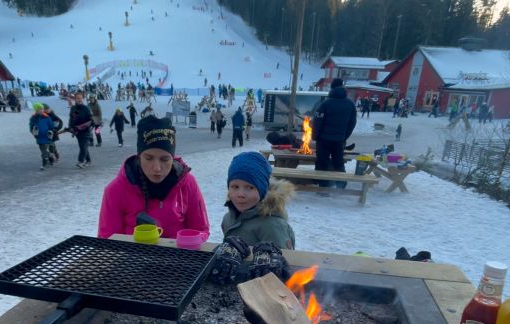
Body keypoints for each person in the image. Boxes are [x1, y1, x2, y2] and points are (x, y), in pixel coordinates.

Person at [97, 116, 210, 240]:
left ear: (172, 158)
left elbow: (201, 229)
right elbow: (107, 240)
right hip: (133, 258)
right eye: (149, 158)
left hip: (178, 257)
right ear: (139, 156)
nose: (157, 168)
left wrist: (185, 243)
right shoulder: (116, 190)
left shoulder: (188, 183)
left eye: (164, 159)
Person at [210, 152, 295, 285]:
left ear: (262, 189)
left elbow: (286, 267)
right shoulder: (229, 218)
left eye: (250, 187)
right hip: (234, 283)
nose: (240, 194)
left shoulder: (273, 225)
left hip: (263, 290)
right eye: (235, 187)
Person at [311, 78, 356, 191]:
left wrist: (315, 137)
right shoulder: (350, 104)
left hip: (323, 140)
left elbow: (317, 121)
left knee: (323, 164)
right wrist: (344, 137)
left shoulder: (325, 103)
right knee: (339, 163)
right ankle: (341, 186)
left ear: (331, 89)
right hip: (339, 140)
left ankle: (324, 188)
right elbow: (352, 123)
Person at [68, 92, 93, 168]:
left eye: (81, 98)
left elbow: (91, 121)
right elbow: (71, 119)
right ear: (75, 99)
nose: (79, 100)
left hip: (85, 130)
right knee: (83, 146)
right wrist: (70, 127)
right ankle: (88, 160)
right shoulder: (73, 108)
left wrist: (83, 126)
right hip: (77, 131)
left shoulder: (86, 108)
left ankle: (80, 161)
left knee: (83, 146)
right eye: (78, 98)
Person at [29, 103, 56, 171]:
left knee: (44, 151)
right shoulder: (33, 118)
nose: (41, 110)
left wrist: (51, 131)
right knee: (42, 150)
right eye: (39, 109)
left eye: (42, 109)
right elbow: (31, 126)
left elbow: (51, 126)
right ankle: (51, 156)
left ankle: (45, 164)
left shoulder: (47, 117)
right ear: (36, 110)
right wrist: (33, 132)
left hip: (46, 136)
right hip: (39, 136)